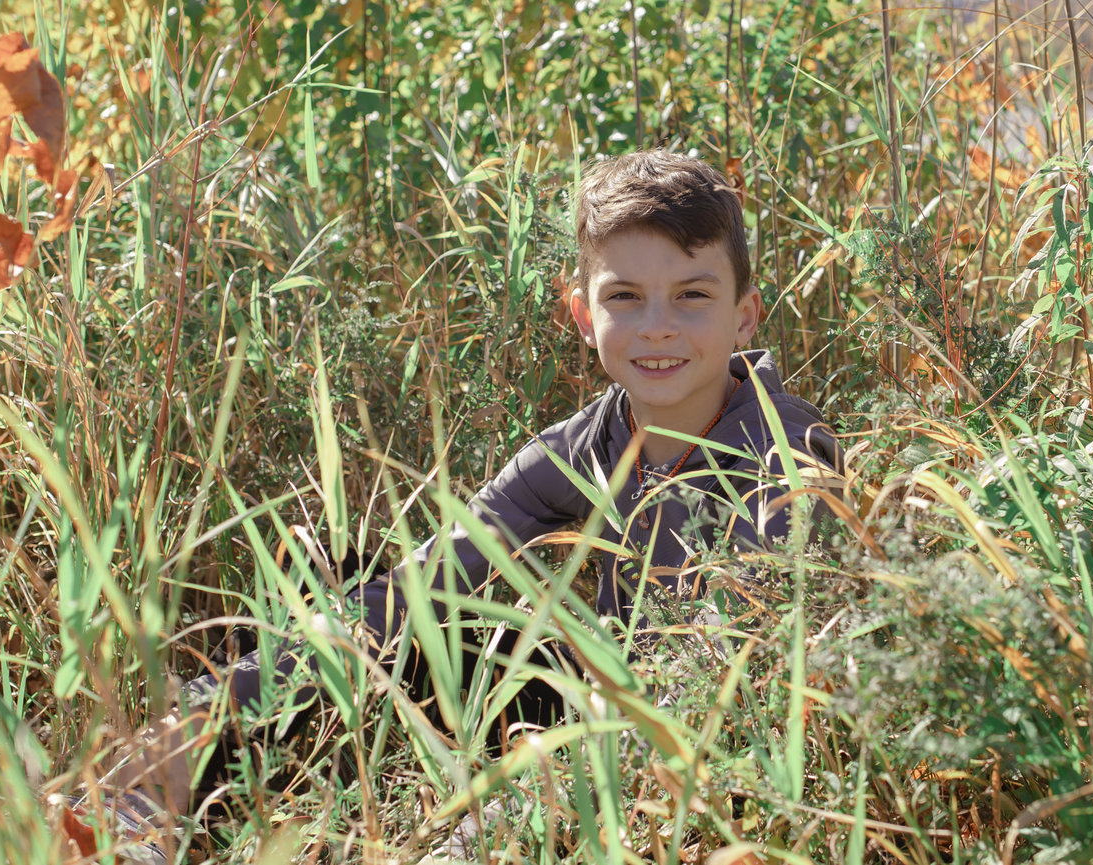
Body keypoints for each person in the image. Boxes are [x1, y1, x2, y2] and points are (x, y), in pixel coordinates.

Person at [80, 149, 846, 861]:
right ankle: (155, 801)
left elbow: (729, 690)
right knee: (405, 621)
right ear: (583, 316)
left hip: (714, 771)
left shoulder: (787, 453)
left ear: (745, 314)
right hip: (611, 715)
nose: (657, 327)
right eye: (625, 297)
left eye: (692, 296)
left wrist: (511, 809)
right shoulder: (590, 440)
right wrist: (205, 710)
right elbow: (425, 580)